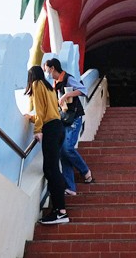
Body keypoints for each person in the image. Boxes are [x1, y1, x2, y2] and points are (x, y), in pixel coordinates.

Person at [23, 65, 69, 224]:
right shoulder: (49, 87)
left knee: (52, 169)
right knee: (51, 169)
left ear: (31, 78)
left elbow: (41, 112)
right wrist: (32, 118)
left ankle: (61, 212)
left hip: (50, 129)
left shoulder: (37, 85)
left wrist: (37, 129)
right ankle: (59, 209)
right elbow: (49, 111)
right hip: (58, 127)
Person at [44, 58, 94, 196]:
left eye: (46, 69)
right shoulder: (55, 83)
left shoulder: (67, 78)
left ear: (52, 68)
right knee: (62, 152)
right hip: (64, 119)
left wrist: (66, 95)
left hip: (74, 118)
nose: (46, 72)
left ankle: (85, 171)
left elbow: (83, 89)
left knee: (67, 148)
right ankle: (71, 187)